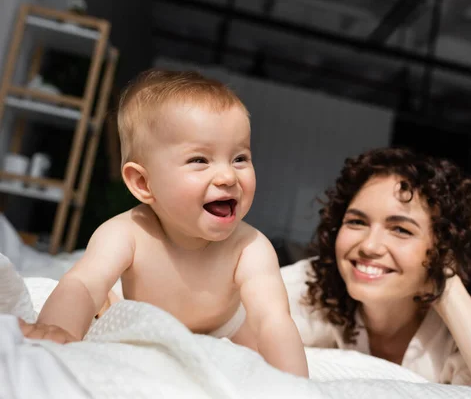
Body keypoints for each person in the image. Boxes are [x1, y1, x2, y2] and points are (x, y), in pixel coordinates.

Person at [19, 69, 309, 378]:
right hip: (148, 319)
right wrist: (55, 331)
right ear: (143, 182)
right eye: (200, 160)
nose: (228, 177)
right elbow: (83, 284)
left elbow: (272, 319)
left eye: (240, 158)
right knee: (100, 301)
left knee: (260, 347)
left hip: (227, 330)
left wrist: (296, 385)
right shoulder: (126, 233)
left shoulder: (249, 247)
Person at [281, 147, 471, 397]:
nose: (369, 245)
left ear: (443, 249)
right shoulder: (316, 284)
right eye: (356, 222)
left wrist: (447, 289)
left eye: (401, 229)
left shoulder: (456, 336)